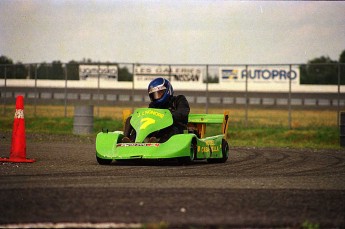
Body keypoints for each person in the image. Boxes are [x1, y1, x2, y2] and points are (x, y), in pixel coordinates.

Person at [122, 77, 190, 143]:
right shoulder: (153, 105)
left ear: (167, 90)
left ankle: (158, 144)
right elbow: (148, 115)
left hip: (177, 128)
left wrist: (168, 116)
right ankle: (130, 140)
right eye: (154, 95)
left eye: (159, 93)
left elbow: (183, 112)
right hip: (158, 129)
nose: (156, 97)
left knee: (172, 129)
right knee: (135, 121)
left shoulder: (179, 100)